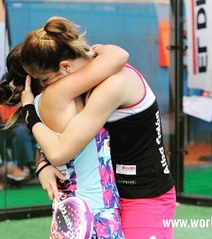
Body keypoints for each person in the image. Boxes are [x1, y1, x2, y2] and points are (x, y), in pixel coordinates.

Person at [19, 17, 176, 238]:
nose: (45, 88)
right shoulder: (93, 76)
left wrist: (29, 114)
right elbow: (72, 142)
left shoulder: (114, 84)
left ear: (65, 67)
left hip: (145, 196)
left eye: (44, 80)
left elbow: (60, 151)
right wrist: (42, 164)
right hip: (116, 195)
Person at [0, 43, 128, 238]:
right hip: (93, 212)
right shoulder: (58, 93)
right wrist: (93, 49)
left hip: (72, 210)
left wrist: (42, 163)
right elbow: (118, 55)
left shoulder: (41, 103)